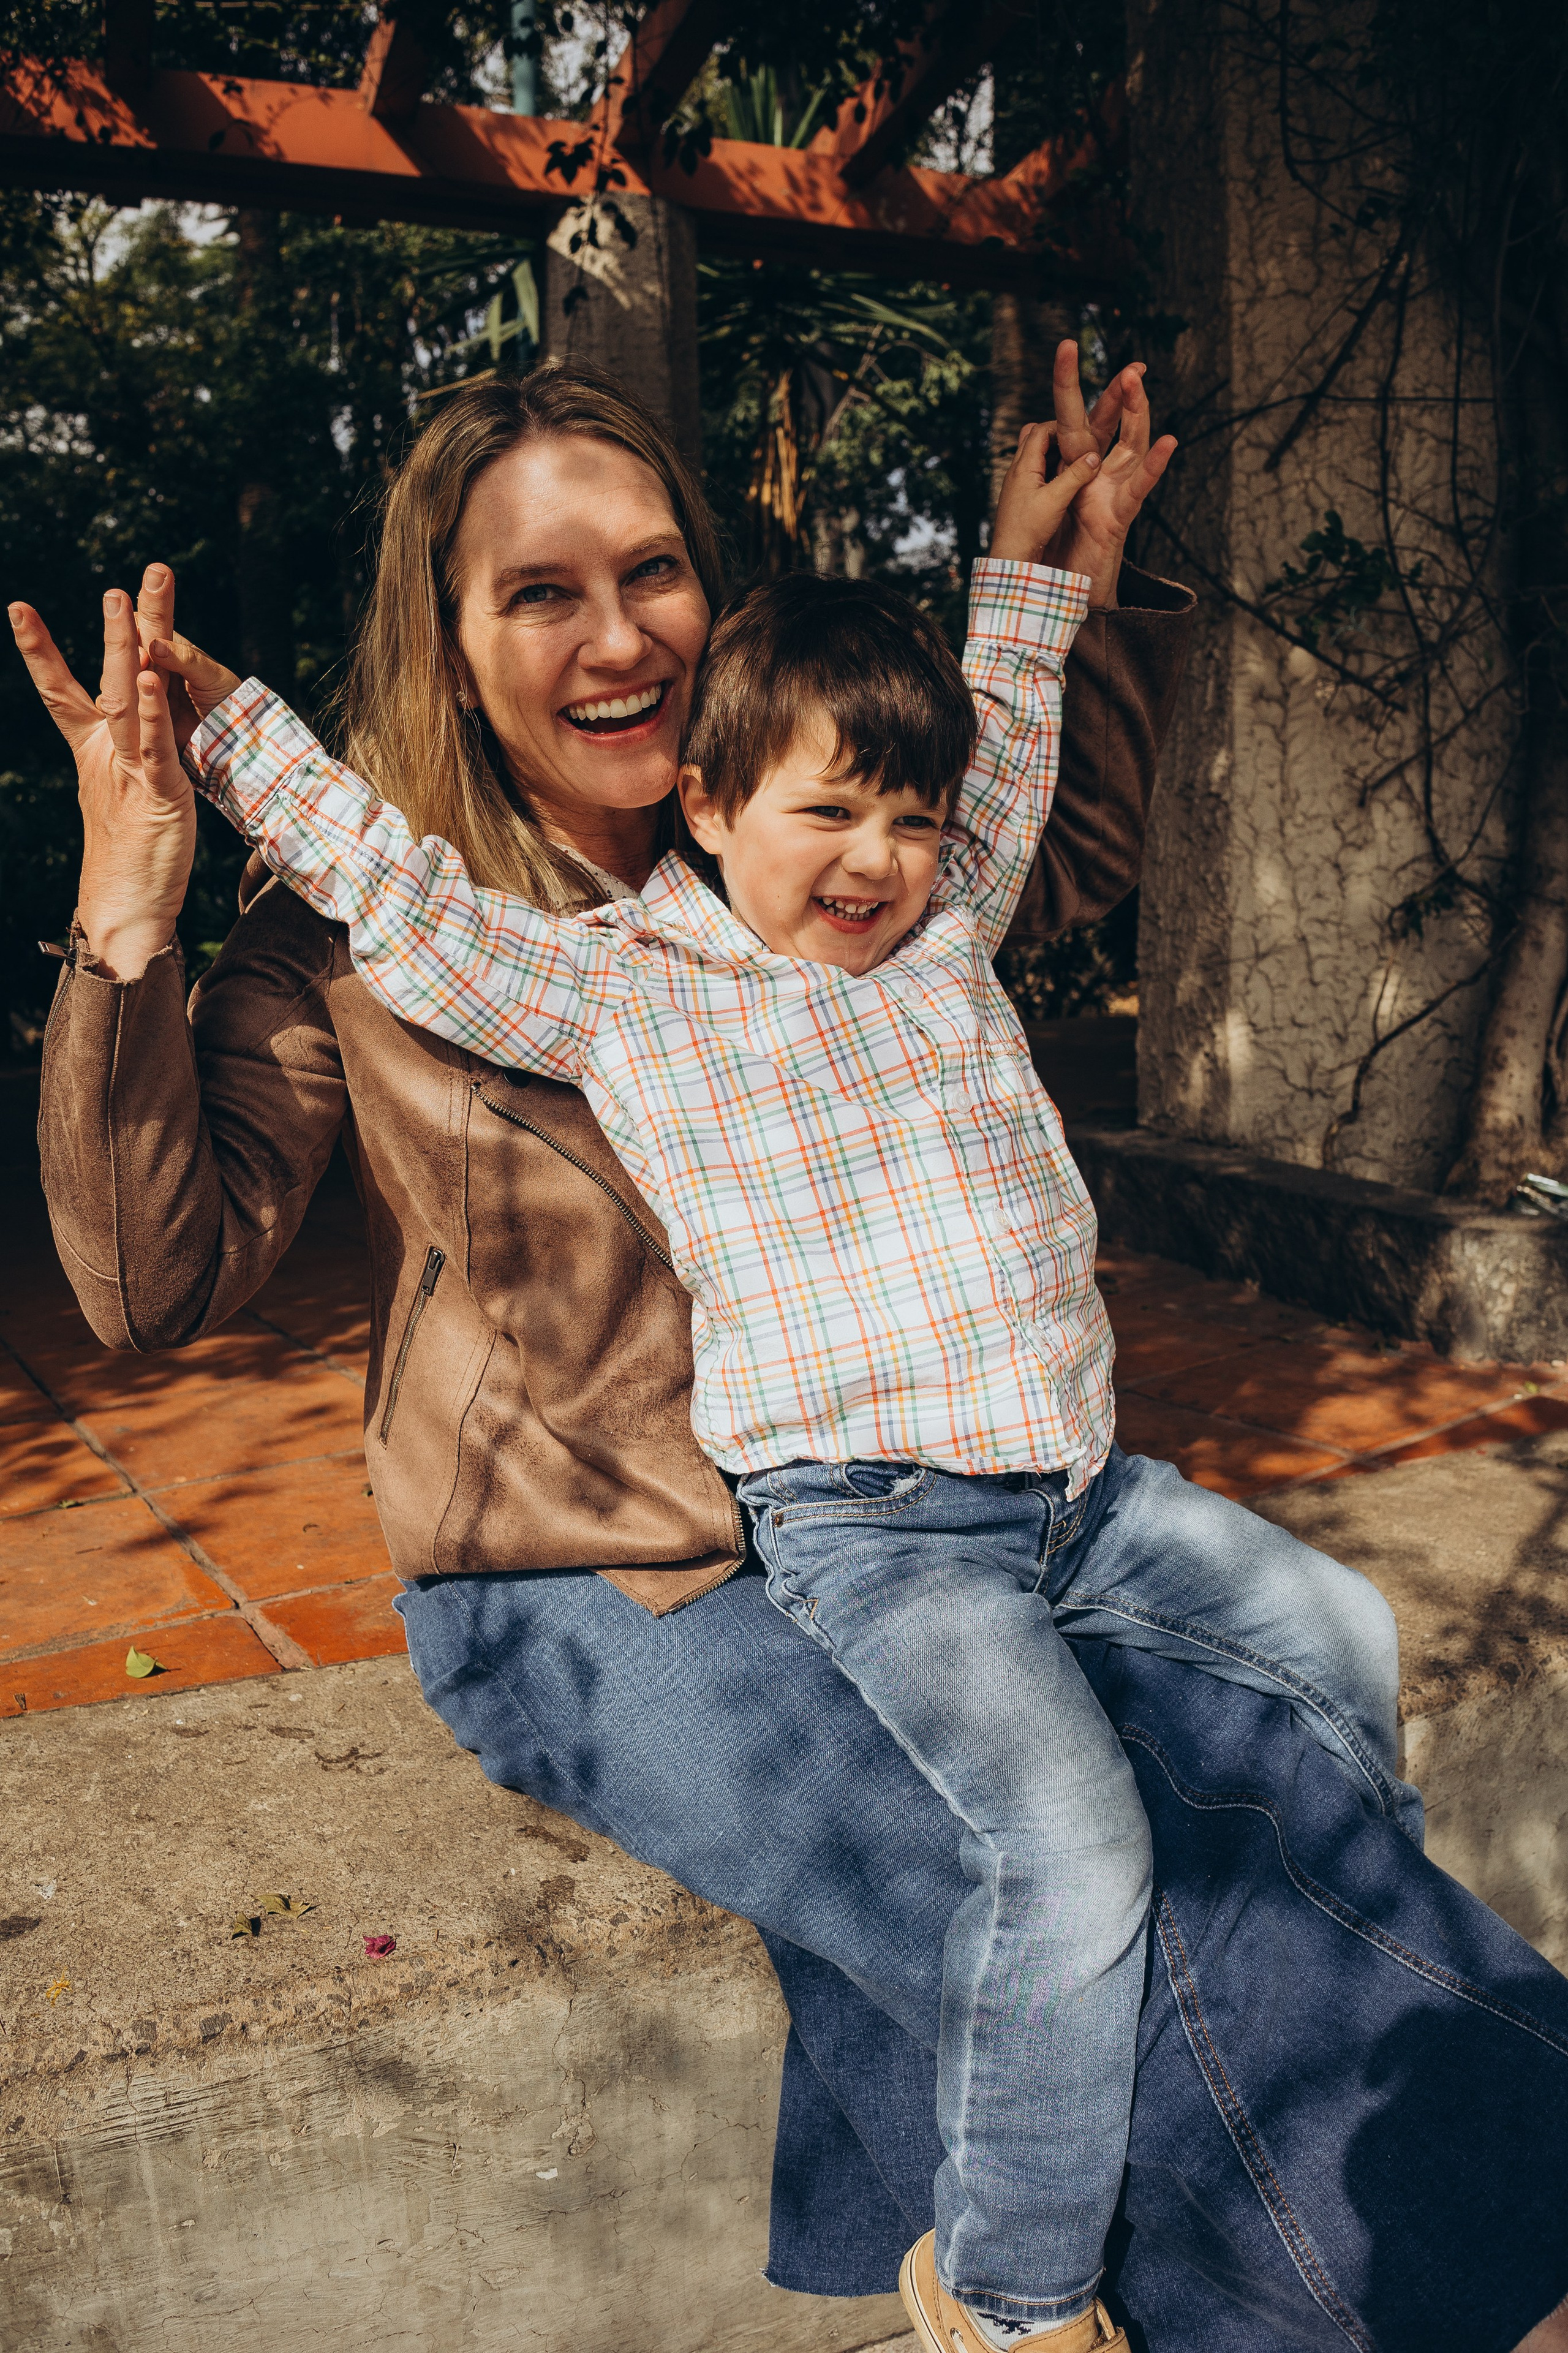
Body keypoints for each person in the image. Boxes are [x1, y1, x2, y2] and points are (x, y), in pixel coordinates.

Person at [12, 357, 1568, 2352]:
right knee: (1056, 1875)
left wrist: (1056, 590)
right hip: (605, 1578)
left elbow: (1026, 854)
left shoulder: (817, 844)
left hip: (947, 1500)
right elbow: (148, 1278)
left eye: (648, 568)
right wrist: (127, 901)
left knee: (1281, 1716)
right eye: (539, 592)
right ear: (451, 638)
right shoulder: (370, 933)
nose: (616, 631)